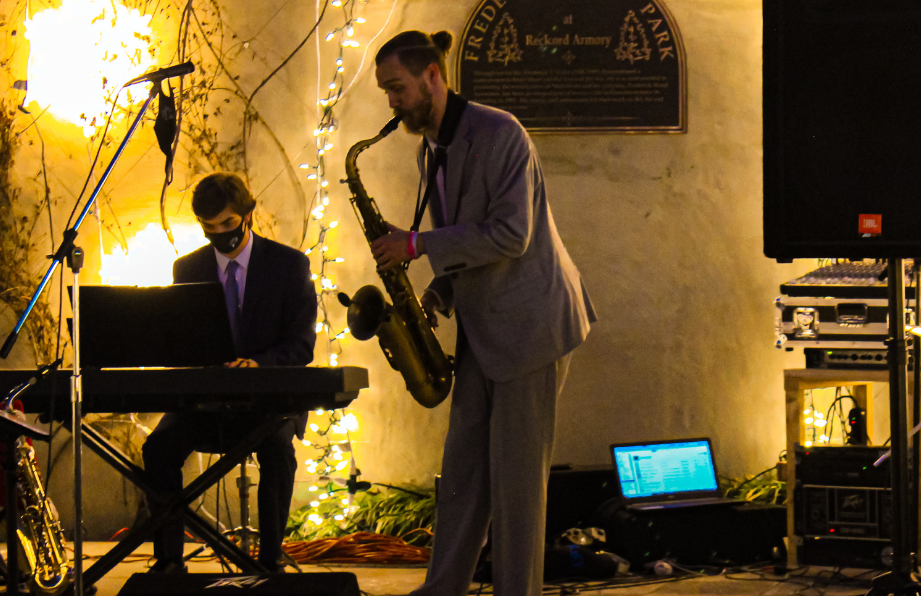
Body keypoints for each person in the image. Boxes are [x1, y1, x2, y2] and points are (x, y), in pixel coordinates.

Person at [367, 30, 595, 596]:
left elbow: (511, 235)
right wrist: (440, 291)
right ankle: (440, 589)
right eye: (386, 92)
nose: (391, 103)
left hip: (530, 327)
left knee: (517, 485)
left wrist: (416, 246)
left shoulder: (501, 134)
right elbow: (463, 237)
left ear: (432, 77)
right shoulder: (431, 149)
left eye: (397, 88)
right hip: (481, 329)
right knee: (464, 474)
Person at [141, 172, 317, 573]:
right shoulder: (187, 269)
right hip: (206, 404)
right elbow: (182, 341)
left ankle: (269, 560)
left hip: (266, 402)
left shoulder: (288, 265)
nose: (220, 233)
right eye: (209, 227)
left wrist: (259, 365)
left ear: (247, 215)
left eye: (228, 223)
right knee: (158, 449)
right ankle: (168, 562)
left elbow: (302, 345)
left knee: (277, 451)